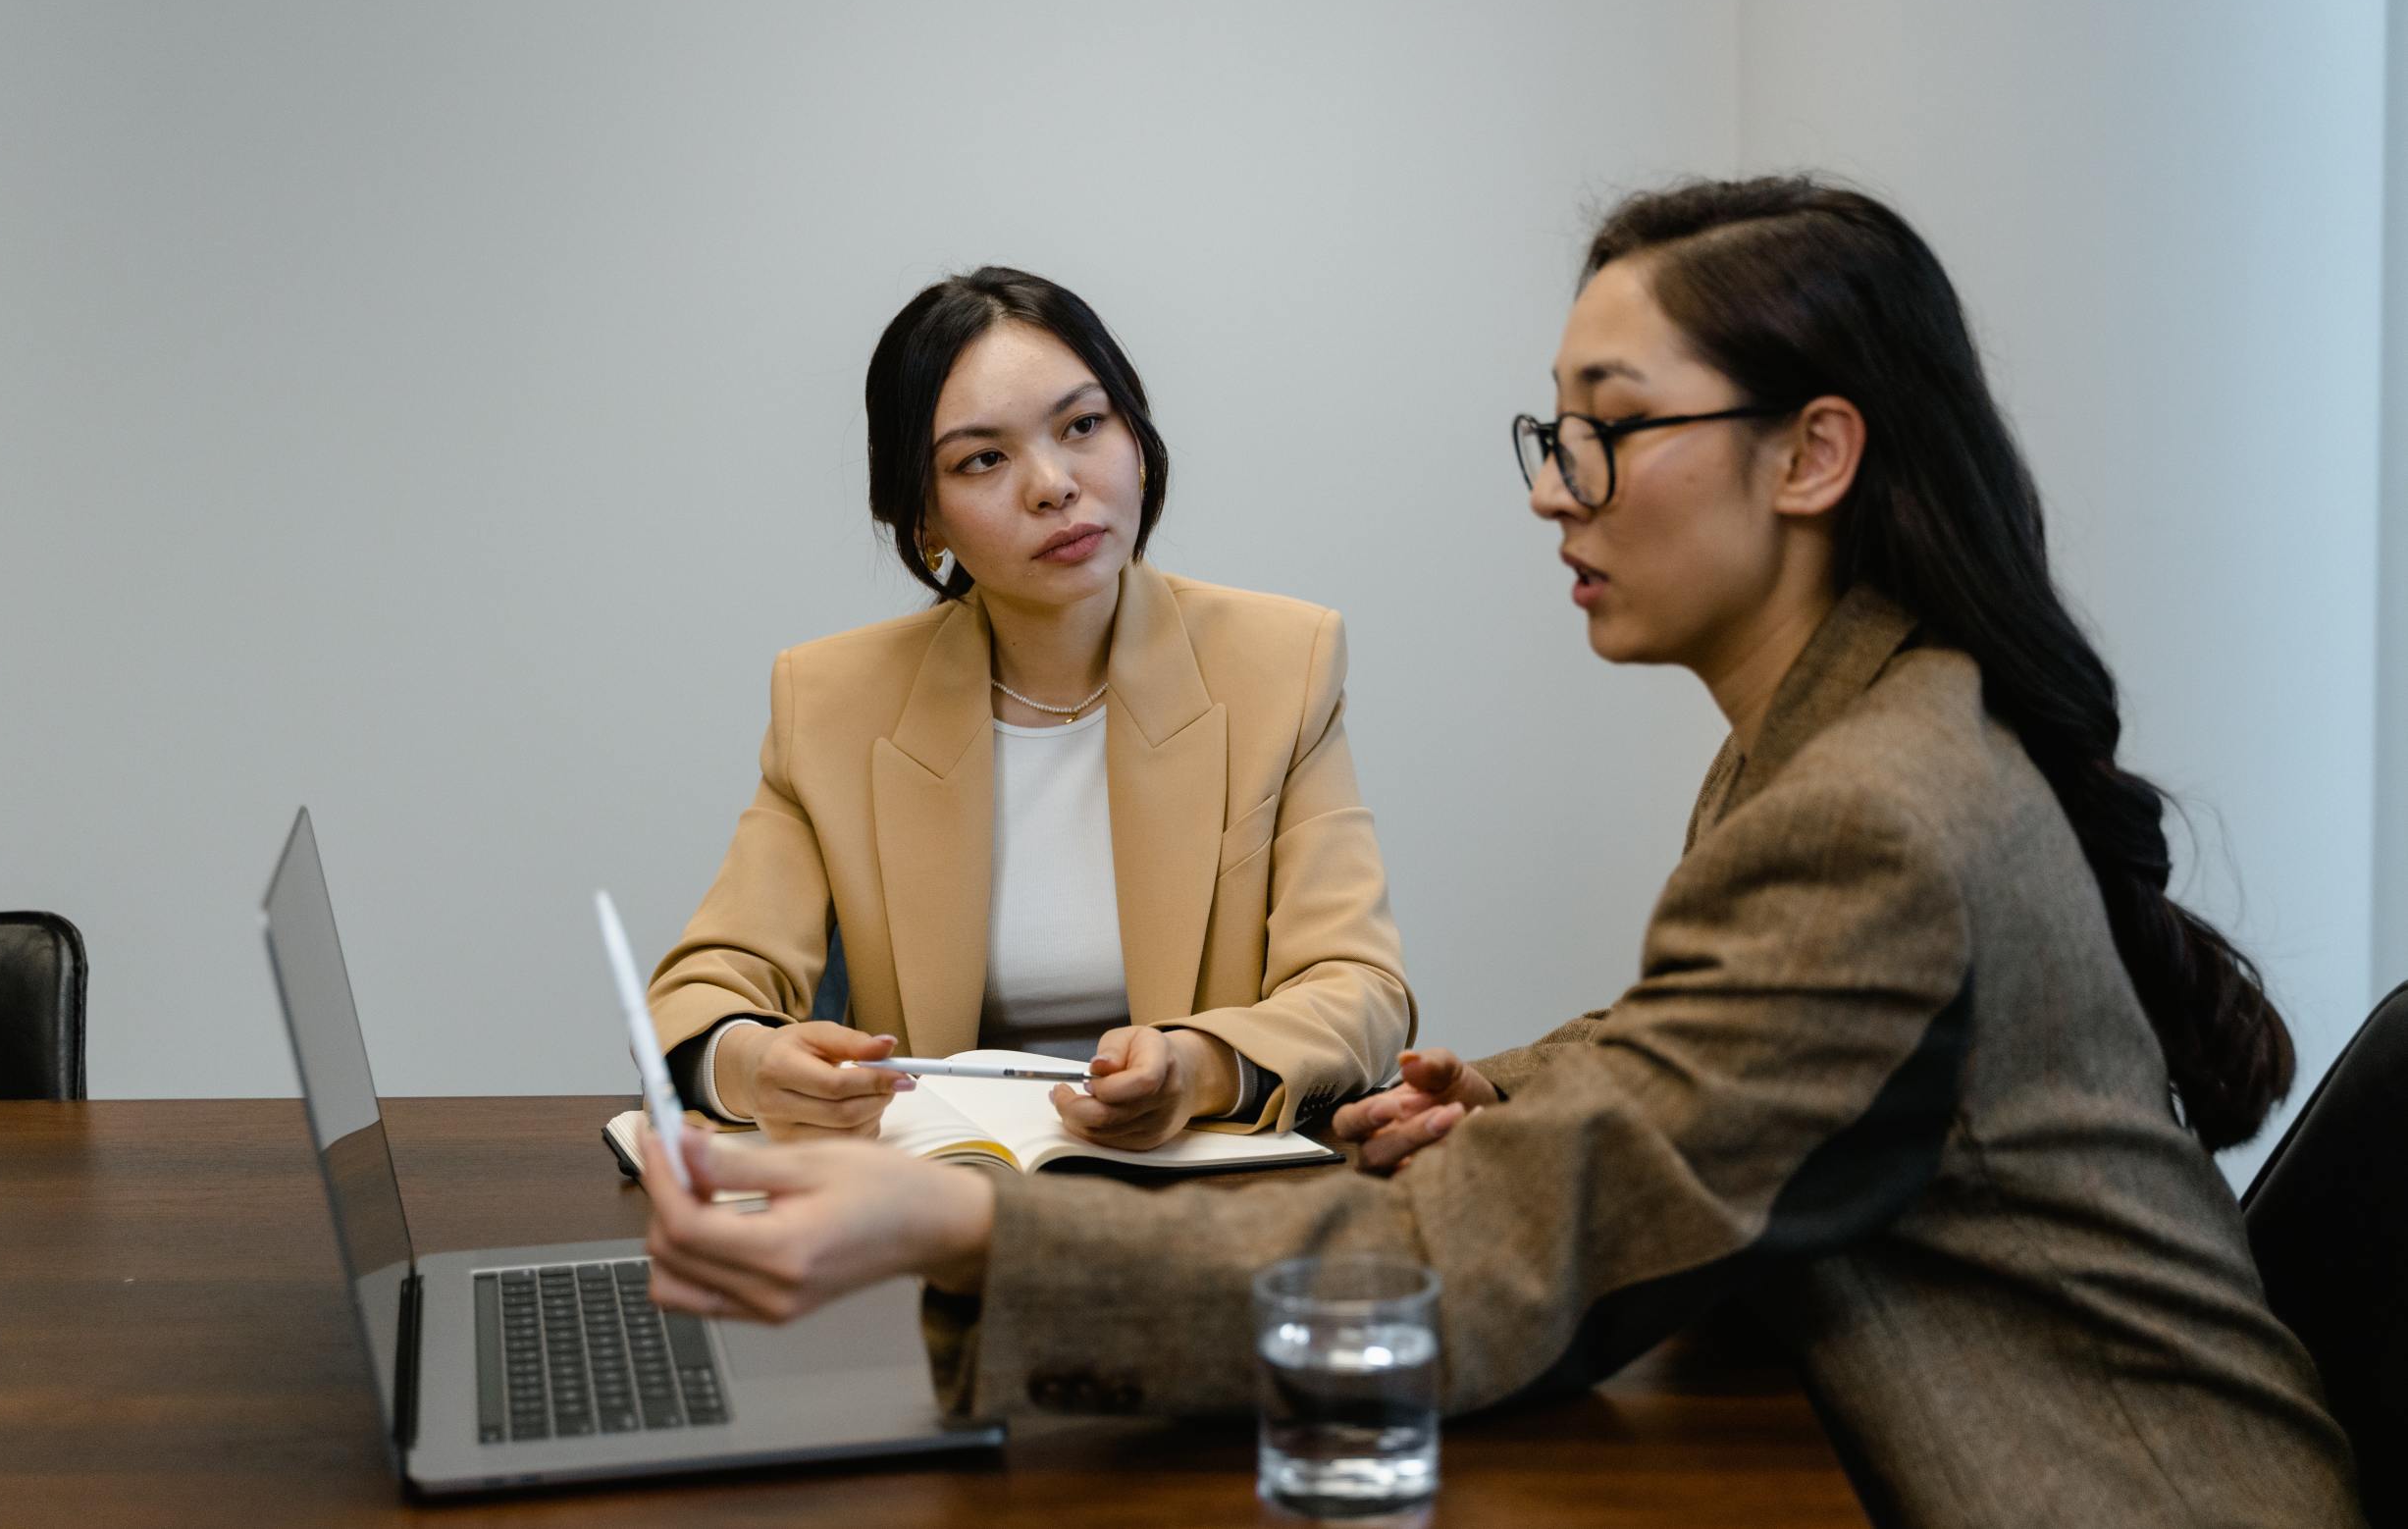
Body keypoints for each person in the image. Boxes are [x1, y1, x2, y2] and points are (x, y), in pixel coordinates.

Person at [638, 181, 2362, 1525]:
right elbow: (1698, 1052)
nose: (1557, 490)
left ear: (1814, 451)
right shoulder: (1852, 728)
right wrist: (1518, 1098)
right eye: (1554, 431)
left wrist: (954, 1228)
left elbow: (1473, 1261)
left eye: (1608, 429)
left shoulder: (1872, 805)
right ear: (921, 515)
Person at [647, 266, 1412, 1152]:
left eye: (1083, 425)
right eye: (983, 458)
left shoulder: (1283, 662)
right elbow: (703, 987)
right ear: (924, 517)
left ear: (1136, 435)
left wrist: (1201, 1066)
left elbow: (1359, 987)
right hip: (941, 1210)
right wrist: (750, 1063)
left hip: (1196, 1198)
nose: (1053, 483)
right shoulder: (831, 702)